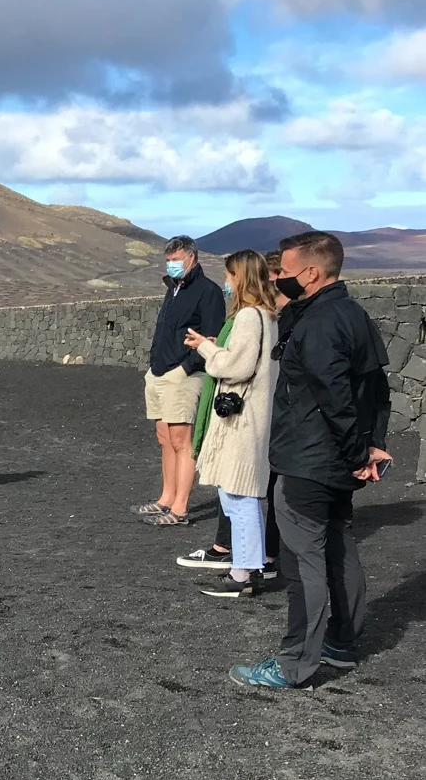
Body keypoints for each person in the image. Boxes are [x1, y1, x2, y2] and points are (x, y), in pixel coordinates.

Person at [230, 231, 393, 689]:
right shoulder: (353, 314)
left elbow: (334, 397)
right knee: (340, 549)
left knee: (303, 563)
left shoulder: (320, 322)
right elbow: (376, 388)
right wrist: (369, 446)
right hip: (338, 460)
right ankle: (341, 644)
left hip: (310, 460)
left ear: (311, 273)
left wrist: (359, 449)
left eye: (282, 270)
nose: (277, 277)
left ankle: (293, 663)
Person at [181, 248, 286, 573]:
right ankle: (246, 568)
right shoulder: (266, 316)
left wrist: (206, 347)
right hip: (252, 418)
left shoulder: (248, 316)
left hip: (241, 423)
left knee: (239, 498)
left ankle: (244, 571)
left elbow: (236, 367)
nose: (226, 282)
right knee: (242, 497)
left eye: (229, 276)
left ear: (241, 278)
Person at [134, 235, 226, 527]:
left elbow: (212, 337)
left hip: (182, 374)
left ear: (191, 257)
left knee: (180, 440)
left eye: (176, 259)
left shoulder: (208, 291)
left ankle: (181, 508)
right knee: (164, 439)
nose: (171, 265)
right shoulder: (173, 288)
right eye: (168, 260)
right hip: (159, 371)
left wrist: (186, 368)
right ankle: (166, 498)